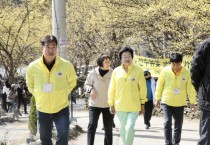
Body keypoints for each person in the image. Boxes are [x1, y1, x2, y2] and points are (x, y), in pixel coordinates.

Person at [26, 35, 77, 145]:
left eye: (53, 47)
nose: (51, 50)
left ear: (56, 48)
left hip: (61, 108)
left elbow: (72, 82)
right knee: (45, 140)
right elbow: (30, 84)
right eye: (48, 47)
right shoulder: (32, 67)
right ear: (42, 49)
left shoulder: (66, 65)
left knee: (63, 135)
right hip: (43, 108)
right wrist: (39, 95)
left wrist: (63, 93)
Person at [108, 46, 147, 145]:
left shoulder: (138, 71)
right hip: (120, 106)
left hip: (134, 106)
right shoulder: (116, 71)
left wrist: (142, 104)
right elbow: (112, 88)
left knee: (129, 127)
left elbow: (143, 89)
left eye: (129, 56)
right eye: (124, 56)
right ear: (121, 59)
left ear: (132, 57)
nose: (127, 58)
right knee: (122, 129)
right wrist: (111, 104)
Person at [155, 53, 196, 145]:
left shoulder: (186, 72)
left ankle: (176, 142)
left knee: (178, 124)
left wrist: (193, 102)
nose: (176, 66)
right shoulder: (165, 71)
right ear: (171, 63)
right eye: (174, 64)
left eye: (178, 64)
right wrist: (157, 98)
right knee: (167, 122)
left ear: (181, 63)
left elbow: (190, 88)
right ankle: (168, 142)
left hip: (180, 103)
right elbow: (159, 85)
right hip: (167, 101)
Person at [84, 53, 113, 145]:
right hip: (94, 104)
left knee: (108, 128)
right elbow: (86, 84)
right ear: (101, 63)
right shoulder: (93, 73)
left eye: (109, 61)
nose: (108, 63)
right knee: (92, 125)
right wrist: (91, 89)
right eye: (106, 61)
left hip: (108, 104)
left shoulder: (113, 73)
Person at [190, 38, 210, 145]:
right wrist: (202, 89)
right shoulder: (206, 46)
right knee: (206, 137)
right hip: (208, 99)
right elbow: (195, 70)